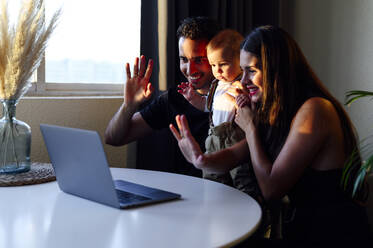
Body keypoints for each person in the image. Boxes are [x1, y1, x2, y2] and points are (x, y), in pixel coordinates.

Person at [169, 25, 372, 247]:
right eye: (243, 70)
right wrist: (200, 159)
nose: (243, 80)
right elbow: (235, 155)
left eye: (252, 71)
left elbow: (272, 189)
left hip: (332, 236)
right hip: (302, 231)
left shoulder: (315, 110)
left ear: (278, 69)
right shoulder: (276, 111)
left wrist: (251, 129)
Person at [105, 16, 221, 177]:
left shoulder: (232, 98)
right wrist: (129, 106)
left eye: (199, 59)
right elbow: (113, 138)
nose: (190, 69)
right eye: (184, 59)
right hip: (184, 194)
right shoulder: (174, 98)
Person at [177, 29, 262, 201]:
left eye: (223, 64)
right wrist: (193, 98)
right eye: (213, 65)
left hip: (235, 137)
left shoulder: (243, 83)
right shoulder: (216, 85)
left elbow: (254, 109)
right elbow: (207, 106)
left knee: (242, 177)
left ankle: (249, 205)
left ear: (240, 61)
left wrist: (245, 100)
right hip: (214, 137)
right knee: (211, 179)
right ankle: (213, 204)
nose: (218, 71)